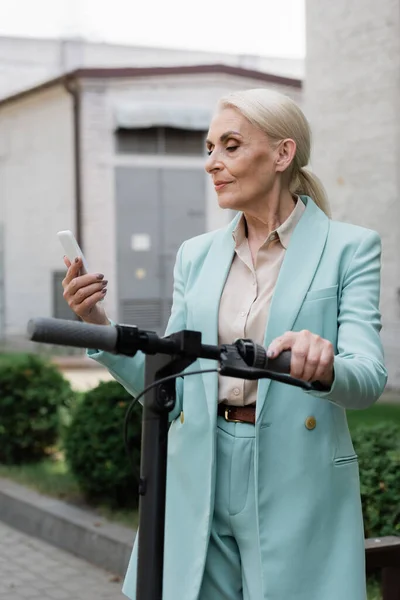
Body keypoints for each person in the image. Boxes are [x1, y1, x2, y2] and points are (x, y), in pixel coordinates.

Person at [62, 88, 387, 600]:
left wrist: (323, 367)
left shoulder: (350, 248)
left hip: (295, 475)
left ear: (283, 154)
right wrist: (96, 321)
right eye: (208, 149)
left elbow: (367, 380)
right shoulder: (196, 254)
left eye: (230, 146)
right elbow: (168, 380)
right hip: (199, 468)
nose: (213, 163)